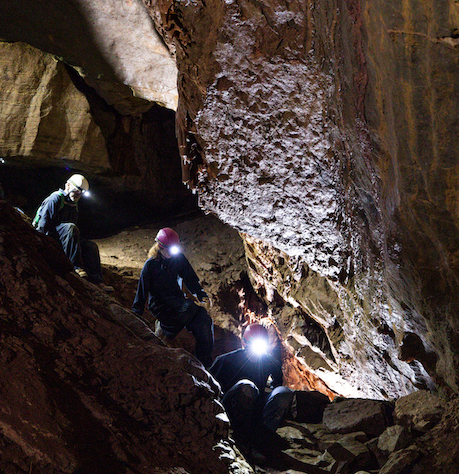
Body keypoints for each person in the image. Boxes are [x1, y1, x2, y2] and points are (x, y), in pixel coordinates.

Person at [131, 228, 214, 367]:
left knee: (204, 319)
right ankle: (165, 330)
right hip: (161, 306)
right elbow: (142, 291)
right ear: (160, 247)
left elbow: (190, 279)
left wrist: (201, 295)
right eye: (168, 250)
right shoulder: (150, 266)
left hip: (179, 302)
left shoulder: (178, 259)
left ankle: (205, 363)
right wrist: (135, 313)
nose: (171, 253)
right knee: (190, 308)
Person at [209, 323, 294, 456]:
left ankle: (264, 436)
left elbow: (277, 385)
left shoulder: (269, 362)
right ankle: (242, 440)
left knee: (284, 393)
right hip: (229, 408)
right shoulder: (226, 360)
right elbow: (209, 388)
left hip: (254, 406)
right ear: (244, 343)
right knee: (247, 386)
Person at [33, 174, 111, 291]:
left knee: (90, 246)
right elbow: (43, 225)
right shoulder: (55, 198)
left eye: (81, 193)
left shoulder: (73, 205)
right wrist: (39, 244)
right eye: (77, 190)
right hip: (50, 236)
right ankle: (76, 268)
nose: (79, 194)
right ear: (68, 185)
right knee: (71, 227)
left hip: (65, 237)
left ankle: (97, 281)